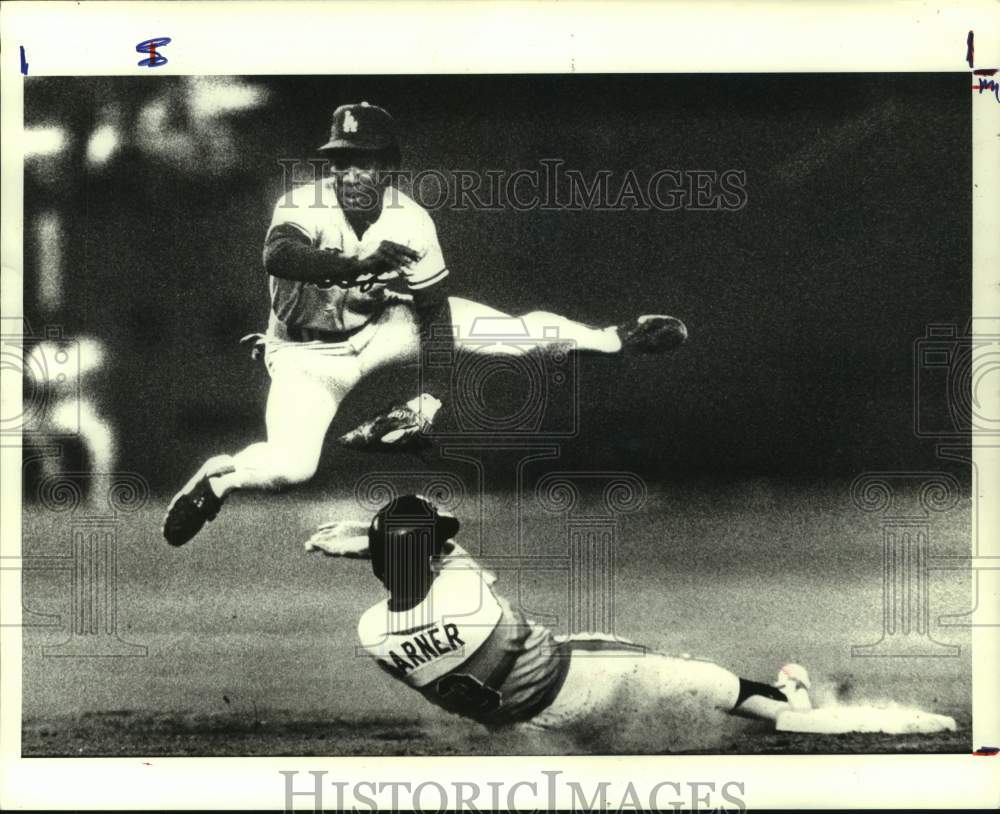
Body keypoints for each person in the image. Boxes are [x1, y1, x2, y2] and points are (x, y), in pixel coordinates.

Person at [162, 102, 688, 547]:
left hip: (385, 328)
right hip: (306, 355)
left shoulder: (410, 220)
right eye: (339, 162)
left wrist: (429, 397)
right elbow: (279, 256)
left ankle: (615, 338)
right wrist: (356, 266)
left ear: (387, 165)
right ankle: (218, 481)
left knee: (508, 335)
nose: (347, 173)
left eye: (361, 161)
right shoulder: (305, 202)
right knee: (291, 467)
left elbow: (434, 312)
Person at [305, 494, 813, 751]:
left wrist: (373, 542)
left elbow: (412, 565)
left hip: (531, 729)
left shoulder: (371, 634)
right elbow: (449, 551)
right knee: (689, 674)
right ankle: (788, 704)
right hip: (586, 678)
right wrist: (367, 537)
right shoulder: (464, 591)